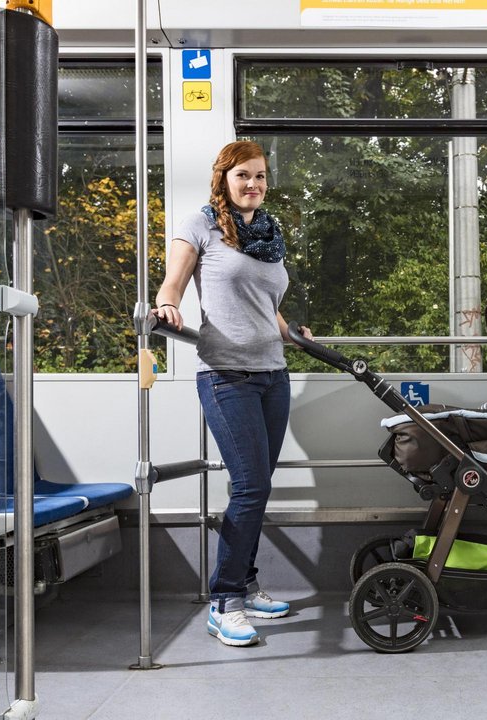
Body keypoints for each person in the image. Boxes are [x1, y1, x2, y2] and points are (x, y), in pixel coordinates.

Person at [154, 140, 311, 647]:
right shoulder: (200, 224)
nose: (254, 185)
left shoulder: (269, 233)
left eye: (261, 176)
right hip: (225, 375)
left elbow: (266, 304)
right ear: (223, 178)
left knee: (258, 485)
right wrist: (166, 307)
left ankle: (245, 583)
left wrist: (291, 333)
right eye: (244, 175)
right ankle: (224, 601)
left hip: (273, 373)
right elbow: (171, 285)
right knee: (249, 487)